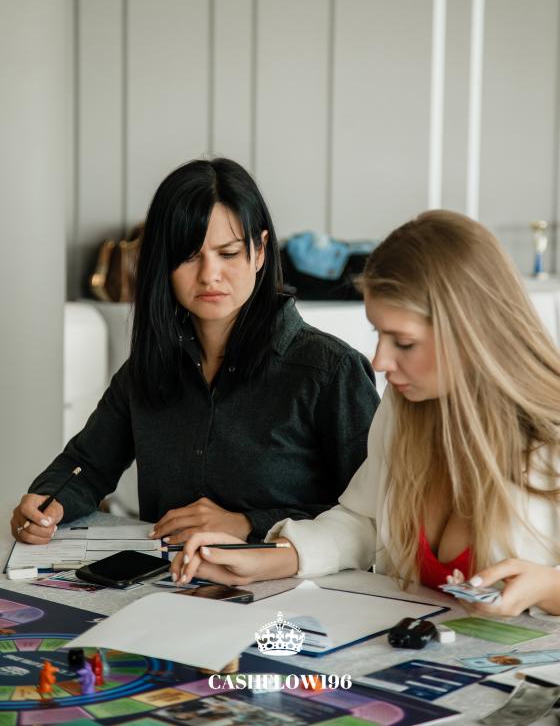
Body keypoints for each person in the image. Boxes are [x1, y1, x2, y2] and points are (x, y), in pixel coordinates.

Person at [171, 210, 560, 617]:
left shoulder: (549, 436)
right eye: (378, 333)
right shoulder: (405, 407)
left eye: (403, 342)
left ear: (472, 334)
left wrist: (549, 588)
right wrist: (268, 558)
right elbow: (364, 521)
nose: (379, 361)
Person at [11, 158, 379, 545]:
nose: (209, 275)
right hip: (166, 577)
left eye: (228, 253)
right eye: (188, 256)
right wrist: (47, 504)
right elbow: (85, 466)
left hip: (296, 583)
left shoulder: (331, 371)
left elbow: (373, 516)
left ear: (259, 251)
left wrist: (248, 523)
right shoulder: (147, 368)